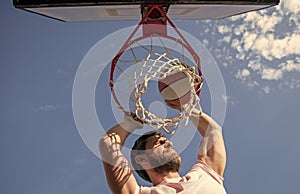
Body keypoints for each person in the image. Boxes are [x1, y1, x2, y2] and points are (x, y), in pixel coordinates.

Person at [99, 102, 227, 194]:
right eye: (159, 142)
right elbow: (108, 145)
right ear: (142, 159)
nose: (169, 144)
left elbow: (213, 131)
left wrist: (186, 107)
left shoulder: (206, 173)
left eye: (167, 141)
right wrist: (129, 124)